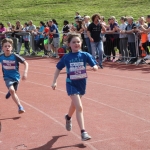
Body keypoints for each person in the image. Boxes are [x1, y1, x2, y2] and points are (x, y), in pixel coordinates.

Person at [51, 33, 98, 141]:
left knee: (74, 106)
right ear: (69, 44)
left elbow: (94, 64)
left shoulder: (85, 55)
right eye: (73, 42)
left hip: (81, 84)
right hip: (71, 84)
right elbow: (58, 68)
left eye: (78, 42)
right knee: (79, 107)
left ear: (81, 43)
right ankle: (83, 132)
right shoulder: (66, 57)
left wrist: (95, 67)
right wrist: (54, 81)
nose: (76, 44)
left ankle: (68, 117)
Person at [0, 38, 28, 113]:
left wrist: (25, 72)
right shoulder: (1, 56)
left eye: (9, 46)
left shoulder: (15, 56)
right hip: (7, 78)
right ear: (2, 48)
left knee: (13, 91)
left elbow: (26, 63)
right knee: (12, 91)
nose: (7, 48)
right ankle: (20, 107)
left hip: (16, 77)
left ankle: (10, 92)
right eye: (5, 46)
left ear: (12, 47)